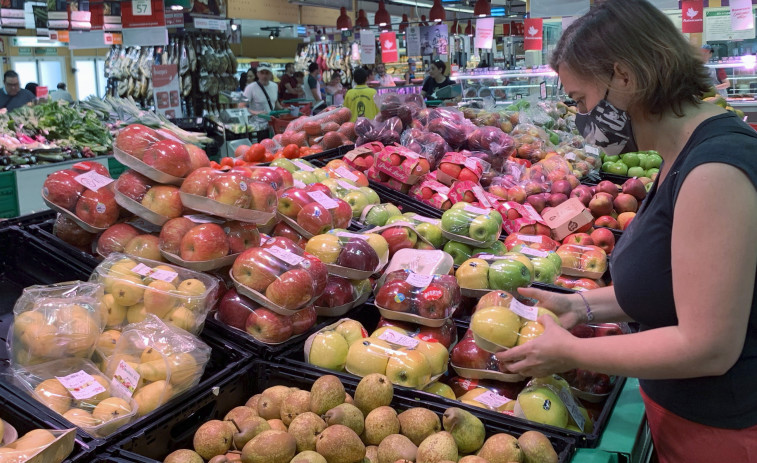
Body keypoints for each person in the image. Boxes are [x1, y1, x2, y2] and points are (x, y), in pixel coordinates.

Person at [495, 1, 757, 461]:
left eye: (580, 100)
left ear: (625, 77)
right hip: (689, 418)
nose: (580, 118)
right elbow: (677, 284)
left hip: (726, 432)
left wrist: (572, 354)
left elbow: (710, 346)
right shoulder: (682, 154)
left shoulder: (715, 170)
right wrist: (579, 305)